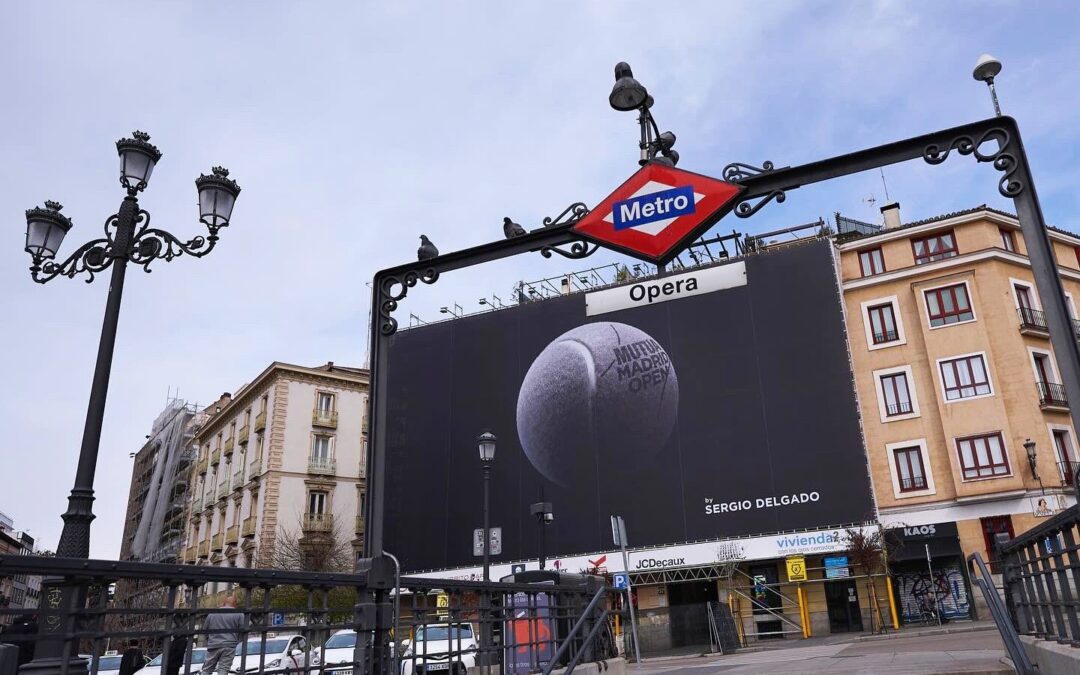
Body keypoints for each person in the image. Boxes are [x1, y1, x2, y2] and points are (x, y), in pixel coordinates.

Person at [202, 593, 245, 675]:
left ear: (224, 602)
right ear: (235, 603)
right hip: (229, 645)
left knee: (207, 670)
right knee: (223, 670)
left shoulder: (212, 613)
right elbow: (243, 630)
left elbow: (205, 629)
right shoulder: (239, 614)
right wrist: (237, 641)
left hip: (213, 644)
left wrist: (210, 639)